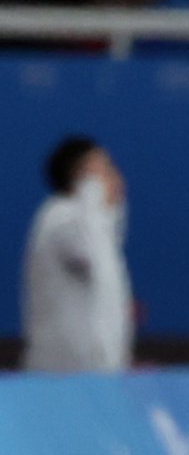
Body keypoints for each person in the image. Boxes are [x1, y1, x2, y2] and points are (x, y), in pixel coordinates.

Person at [21, 136, 135, 374]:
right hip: (62, 378)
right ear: (82, 176)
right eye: (104, 168)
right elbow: (90, 252)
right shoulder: (59, 217)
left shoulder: (88, 221)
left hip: (95, 376)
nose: (115, 176)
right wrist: (92, 191)